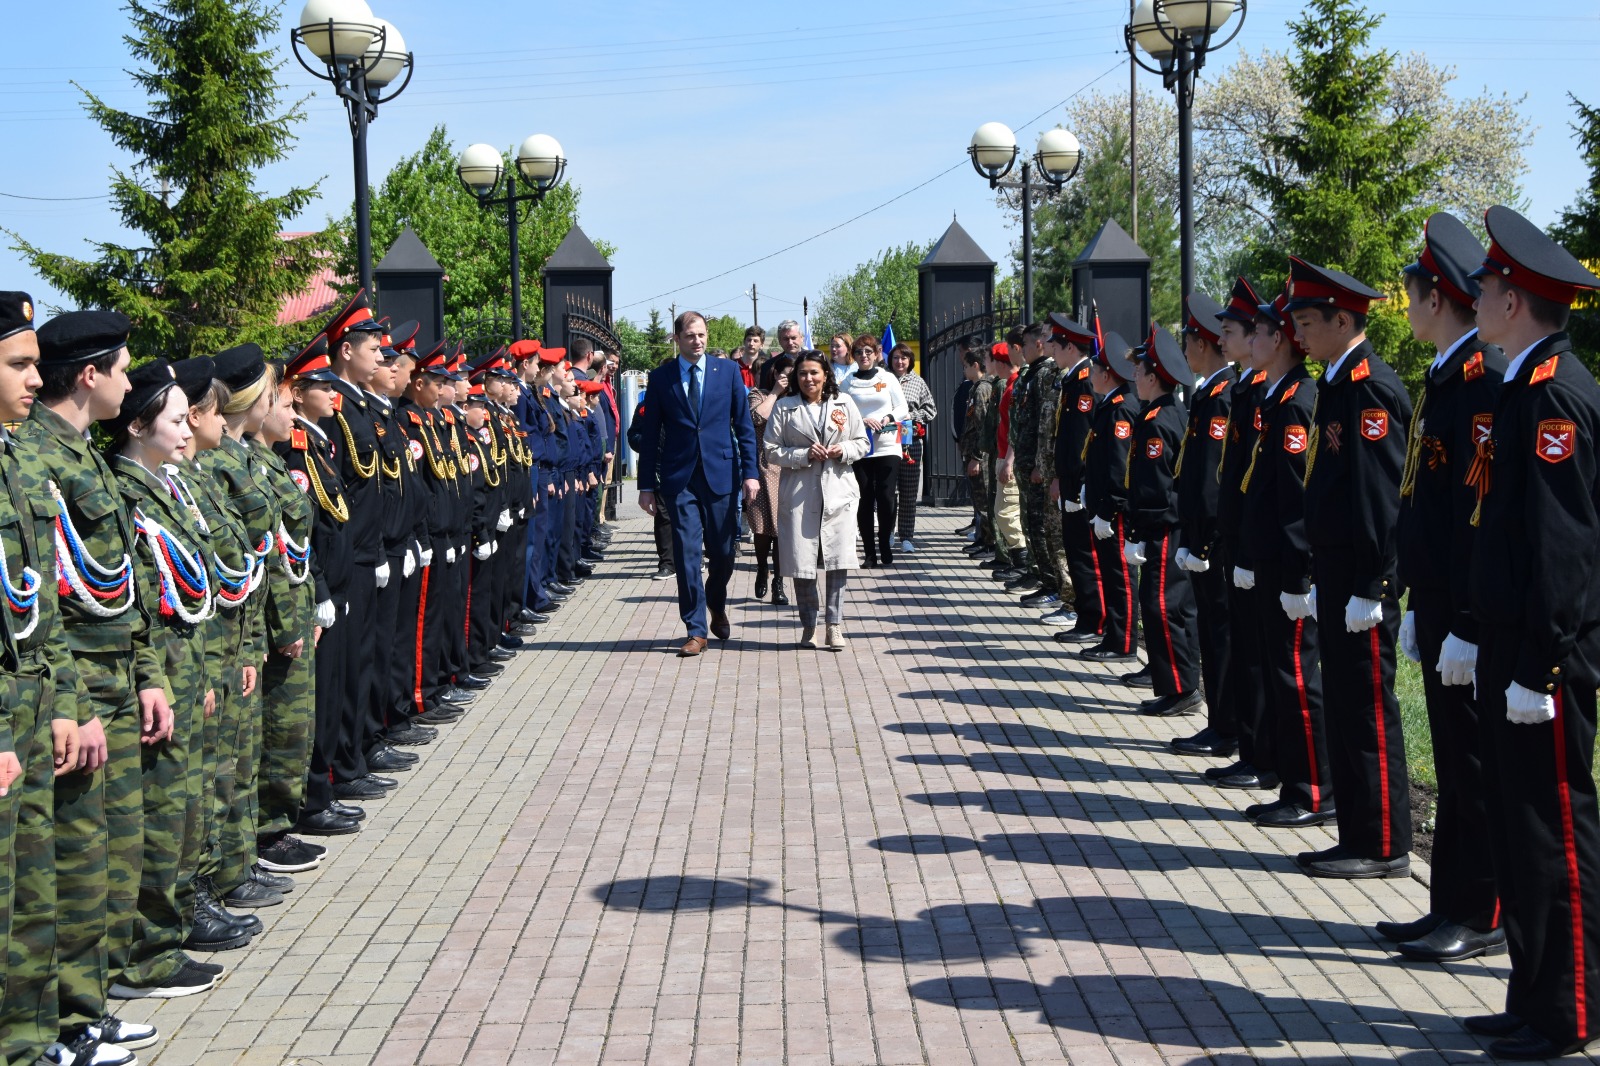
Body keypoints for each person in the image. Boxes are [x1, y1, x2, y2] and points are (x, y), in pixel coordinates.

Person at [9, 309, 171, 1066]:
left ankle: (78, 1012)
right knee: (58, 879)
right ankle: (53, 1028)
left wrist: (139, 676)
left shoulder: (74, 457)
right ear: (91, 374)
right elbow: (53, 605)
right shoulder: (37, 459)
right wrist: (72, 703)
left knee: (95, 863)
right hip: (53, 699)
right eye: (18, 366)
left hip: (80, 688)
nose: (134, 384)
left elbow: (112, 589)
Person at [1465, 205, 1600, 1060]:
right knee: (1519, 831)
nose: (1474, 299)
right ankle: (1530, 991)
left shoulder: (1554, 394)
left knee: (1554, 830)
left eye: (1483, 288)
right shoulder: (1525, 385)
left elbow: (1565, 544)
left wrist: (1541, 666)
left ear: (1513, 301)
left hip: (1542, 659)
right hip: (1512, 647)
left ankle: (1572, 1009)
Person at [1382, 212, 1508, 964]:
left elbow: (1477, 514)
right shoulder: (1446, 377)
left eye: (1412, 291)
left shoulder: (1480, 383)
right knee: (1458, 770)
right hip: (1434, 607)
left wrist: (1461, 616)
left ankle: (1483, 910)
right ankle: (1449, 905)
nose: (1407, 303)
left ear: (1438, 297)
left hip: (1465, 615)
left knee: (1471, 766)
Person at [1290, 256, 1414, 881]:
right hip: (1336, 576)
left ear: (1344, 320)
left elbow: (1379, 498)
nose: (1300, 334)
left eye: (1309, 321)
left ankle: (1386, 844)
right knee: (1343, 705)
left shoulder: (1370, 390)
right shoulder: (1338, 383)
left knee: (1367, 708)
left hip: (1362, 581)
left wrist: (1374, 584)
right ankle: (1356, 834)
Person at [101, 359, 219, 1002]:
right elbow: (141, 601)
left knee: (182, 813)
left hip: (185, 668)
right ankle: (147, 953)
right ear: (140, 424)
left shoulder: (169, 487)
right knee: (157, 818)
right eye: (176, 418)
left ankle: (164, 938)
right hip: (156, 679)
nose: (189, 427)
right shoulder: (128, 489)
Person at [0, 292, 96, 1066]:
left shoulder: (13, 462)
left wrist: (62, 702)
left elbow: (40, 601)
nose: (36, 380)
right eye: (19, 365)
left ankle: (32, 1045)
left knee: (32, 892)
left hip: (31, 705)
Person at [1235, 293, 1332, 829]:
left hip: (1289, 565)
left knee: (1297, 678)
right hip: (1268, 559)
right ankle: (1292, 780)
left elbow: (1295, 497)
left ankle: (1314, 791)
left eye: (1259, 333)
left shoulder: (1296, 401)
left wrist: (1298, 571)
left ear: (1281, 342)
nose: (1251, 342)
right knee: (1280, 675)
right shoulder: (1276, 398)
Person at [633, 311, 760, 657]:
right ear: (677, 339)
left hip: (720, 474)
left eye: (702, 334)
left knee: (722, 552)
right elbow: (649, 435)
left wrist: (751, 473)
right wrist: (646, 485)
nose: (697, 340)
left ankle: (716, 601)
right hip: (680, 479)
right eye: (690, 335)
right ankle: (696, 629)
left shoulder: (728, 373)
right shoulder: (661, 378)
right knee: (687, 555)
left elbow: (744, 428)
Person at [1170, 294, 1238, 760]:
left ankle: (1228, 727)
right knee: (1215, 639)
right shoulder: (1206, 393)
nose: (1185, 348)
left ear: (1202, 343)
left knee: (1223, 637)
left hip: (1214, 542)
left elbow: (1214, 476)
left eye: (1188, 340)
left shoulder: (1221, 395)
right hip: (1200, 538)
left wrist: (1206, 539)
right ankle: (1220, 723)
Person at [763, 351, 869, 650]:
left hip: (838, 491)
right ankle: (809, 625)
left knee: (838, 561)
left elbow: (862, 442)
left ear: (826, 375)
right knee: (802, 561)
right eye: (802, 374)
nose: (808, 379)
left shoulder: (844, 403)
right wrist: (802, 455)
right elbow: (771, 449)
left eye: (814, 373)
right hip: (799, 491)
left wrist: (842, 450)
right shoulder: (785, 407)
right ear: (795, 378)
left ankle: (834, 626)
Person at [1125, 327, 1202, 718]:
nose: (1133, 378)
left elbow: (1156, 486)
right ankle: (1176, 682)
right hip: (1165, 526)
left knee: (1162, 605)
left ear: (1153, 378)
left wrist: (1140, 531)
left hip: (1164, 527)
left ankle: (1181, 686)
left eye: (1139, 372)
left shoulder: (1158, 421)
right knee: (1168, 607)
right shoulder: (1160, 413)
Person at [1047, 315, 1102, 640]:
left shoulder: (1084, 380)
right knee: (1076, 550)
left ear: (1070, 347)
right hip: (1069, 480)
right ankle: (1087, 617)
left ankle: (1093, 620)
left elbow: (1082, 437)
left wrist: (1077, 482)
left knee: (1083, 554)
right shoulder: (1073, 379)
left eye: (1056, 345)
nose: (1052, 351)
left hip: (1079, 483)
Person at [841, 334, 908, 567]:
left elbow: (902, 408)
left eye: (868, 352)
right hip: (861, 448)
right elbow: (840, 413)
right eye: (859, 352)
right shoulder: (848, 383)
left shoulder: (887, 378)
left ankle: (885, 543)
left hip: (888, 445)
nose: (864, 356)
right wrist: (862, 420)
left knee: (887, 497)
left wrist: (887, 417)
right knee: (864, 498)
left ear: (877, 353)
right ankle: (869, 553)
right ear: (854, 356)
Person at [747, 352, 794, 606]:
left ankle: (779, 582)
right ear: (774, 373)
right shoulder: (759, 394)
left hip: (788, 468)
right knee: (762, 526)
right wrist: (775, 391)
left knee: (782, 530)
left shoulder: (797, 399)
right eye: (783, 374)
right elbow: (755, 418)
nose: (787, 380)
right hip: (763, 468)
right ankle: (762, 567)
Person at [886, 344, 936, 554]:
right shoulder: (882, 379)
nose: (900, 362)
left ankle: (906, 536)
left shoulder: (918, 382)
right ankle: (887, 533)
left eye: (904, 358)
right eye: (896, 358)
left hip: (911, 440)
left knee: (908, 492)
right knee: (888, 492)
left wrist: (912, 417)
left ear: (910, 360)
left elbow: (931, 410)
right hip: (886, 441)